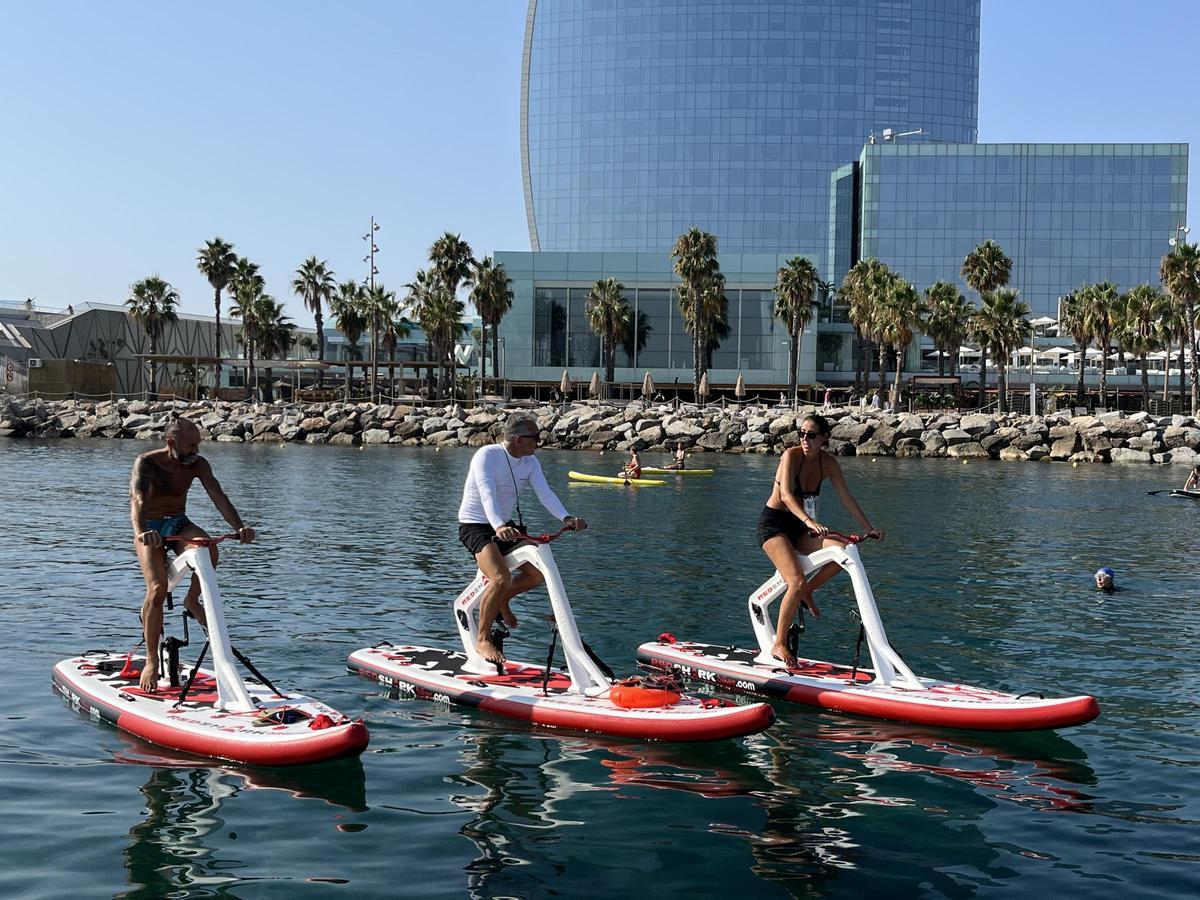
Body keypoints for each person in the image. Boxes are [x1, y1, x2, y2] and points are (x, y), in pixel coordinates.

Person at [130, 418, 255, 692]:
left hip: (177, 522)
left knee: (208, 548)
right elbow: (137, 500)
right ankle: (151, 662)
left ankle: (191, 599)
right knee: (158, 589)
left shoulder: (198, 464)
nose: (195, 450)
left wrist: (239, 527)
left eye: (197, 444)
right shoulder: (147, 462)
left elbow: (218, 495)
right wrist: (142, 531)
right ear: (171, 443)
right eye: (190, 446)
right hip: (149, 527)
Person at [458, 414, 588, 664]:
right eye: (535, 438)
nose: (539, 442)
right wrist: (498, 525)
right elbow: (487, 494)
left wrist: (566, 518)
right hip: (476, 526)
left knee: (537, 573)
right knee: (499, 577)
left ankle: (502, 598)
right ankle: (483, 639)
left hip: (504, 526)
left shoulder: (530, 462)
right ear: (518, 440)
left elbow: (545, 494)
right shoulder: (487, 455)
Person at [756, 413, 884, 667]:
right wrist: (810, 522)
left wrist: (869, 528)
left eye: (811, 435)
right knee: (795, 580)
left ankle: (807, 592)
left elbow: (846, 498)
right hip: (774, 526)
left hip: (800, 527)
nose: (805, 439)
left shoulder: (829, 463)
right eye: (802, 434)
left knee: (844, 552)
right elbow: (787, 497)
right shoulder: (790, 456)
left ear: (824, 438)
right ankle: (778, 643)